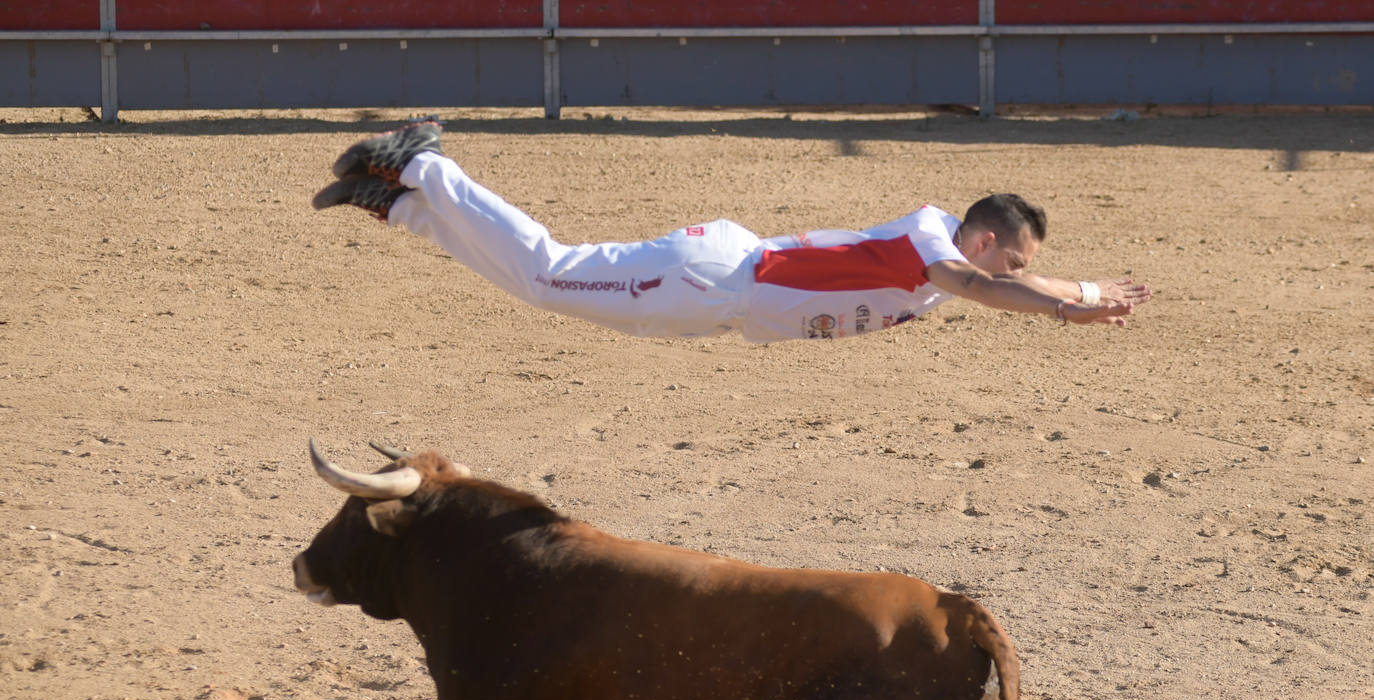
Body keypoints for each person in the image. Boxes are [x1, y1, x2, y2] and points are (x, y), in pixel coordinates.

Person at [312, 118, 1151, 342]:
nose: (1019, 268)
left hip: (718, 299)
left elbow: (996, 289)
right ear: (987, 238)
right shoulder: (931, 243)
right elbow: (986, 287)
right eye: (1020, 254)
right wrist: (1076, 295)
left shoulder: (939, 261)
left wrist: (1071, 305)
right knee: (549, 270)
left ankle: (401, 206)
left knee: (544, 289)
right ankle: (421, 164)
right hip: (714, 277)